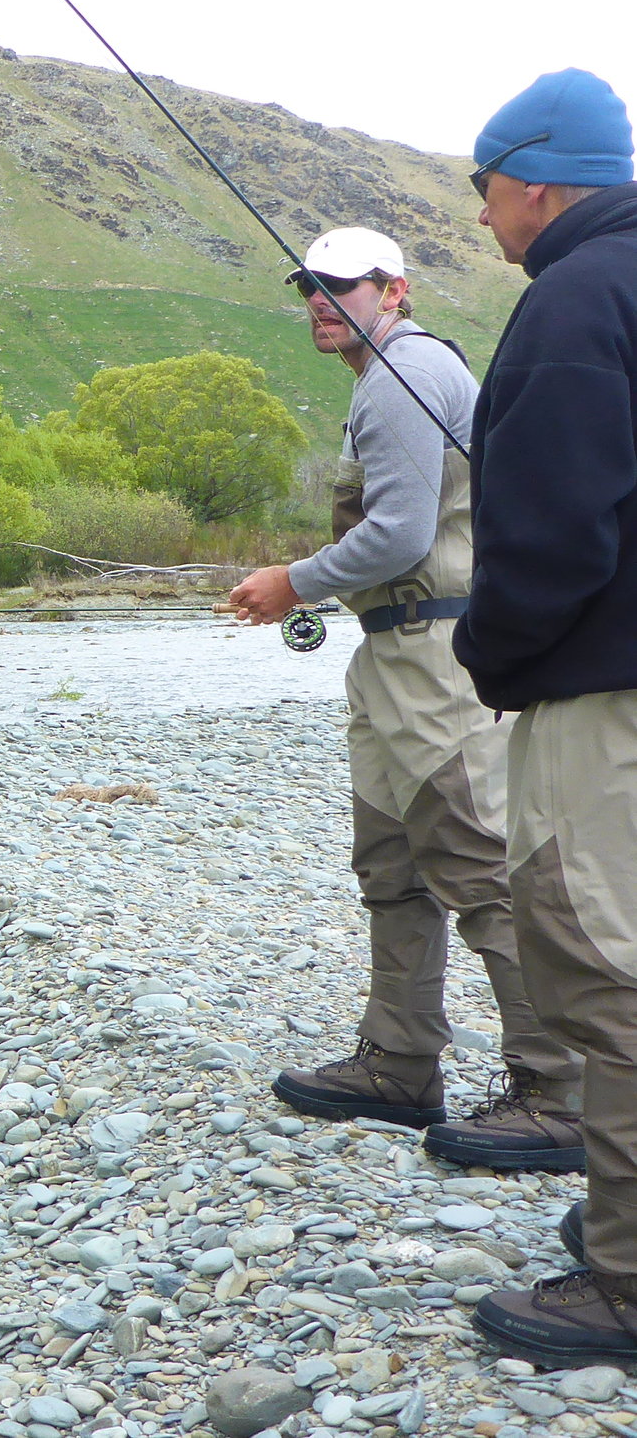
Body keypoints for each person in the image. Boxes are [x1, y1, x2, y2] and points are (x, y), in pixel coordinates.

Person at [227, 229, 582, 1170]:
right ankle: (399, 1060)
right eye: (308, 284)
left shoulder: (400, 373)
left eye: (339, 285)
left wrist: (291, 583)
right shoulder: (384, 373)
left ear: (395, 290)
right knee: (391, 858)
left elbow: (396, 533)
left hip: (433, 655)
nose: (318, 299)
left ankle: (560, 1091)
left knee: (476, 863)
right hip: (392, 653)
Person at [445, 68, 637, 1365]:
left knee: (602, 966)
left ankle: (626, 1277)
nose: (481, 220)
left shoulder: (574, 297)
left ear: (536, 180)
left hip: (600, 690)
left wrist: (485, 643)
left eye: (483, 191)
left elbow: (557, 533)